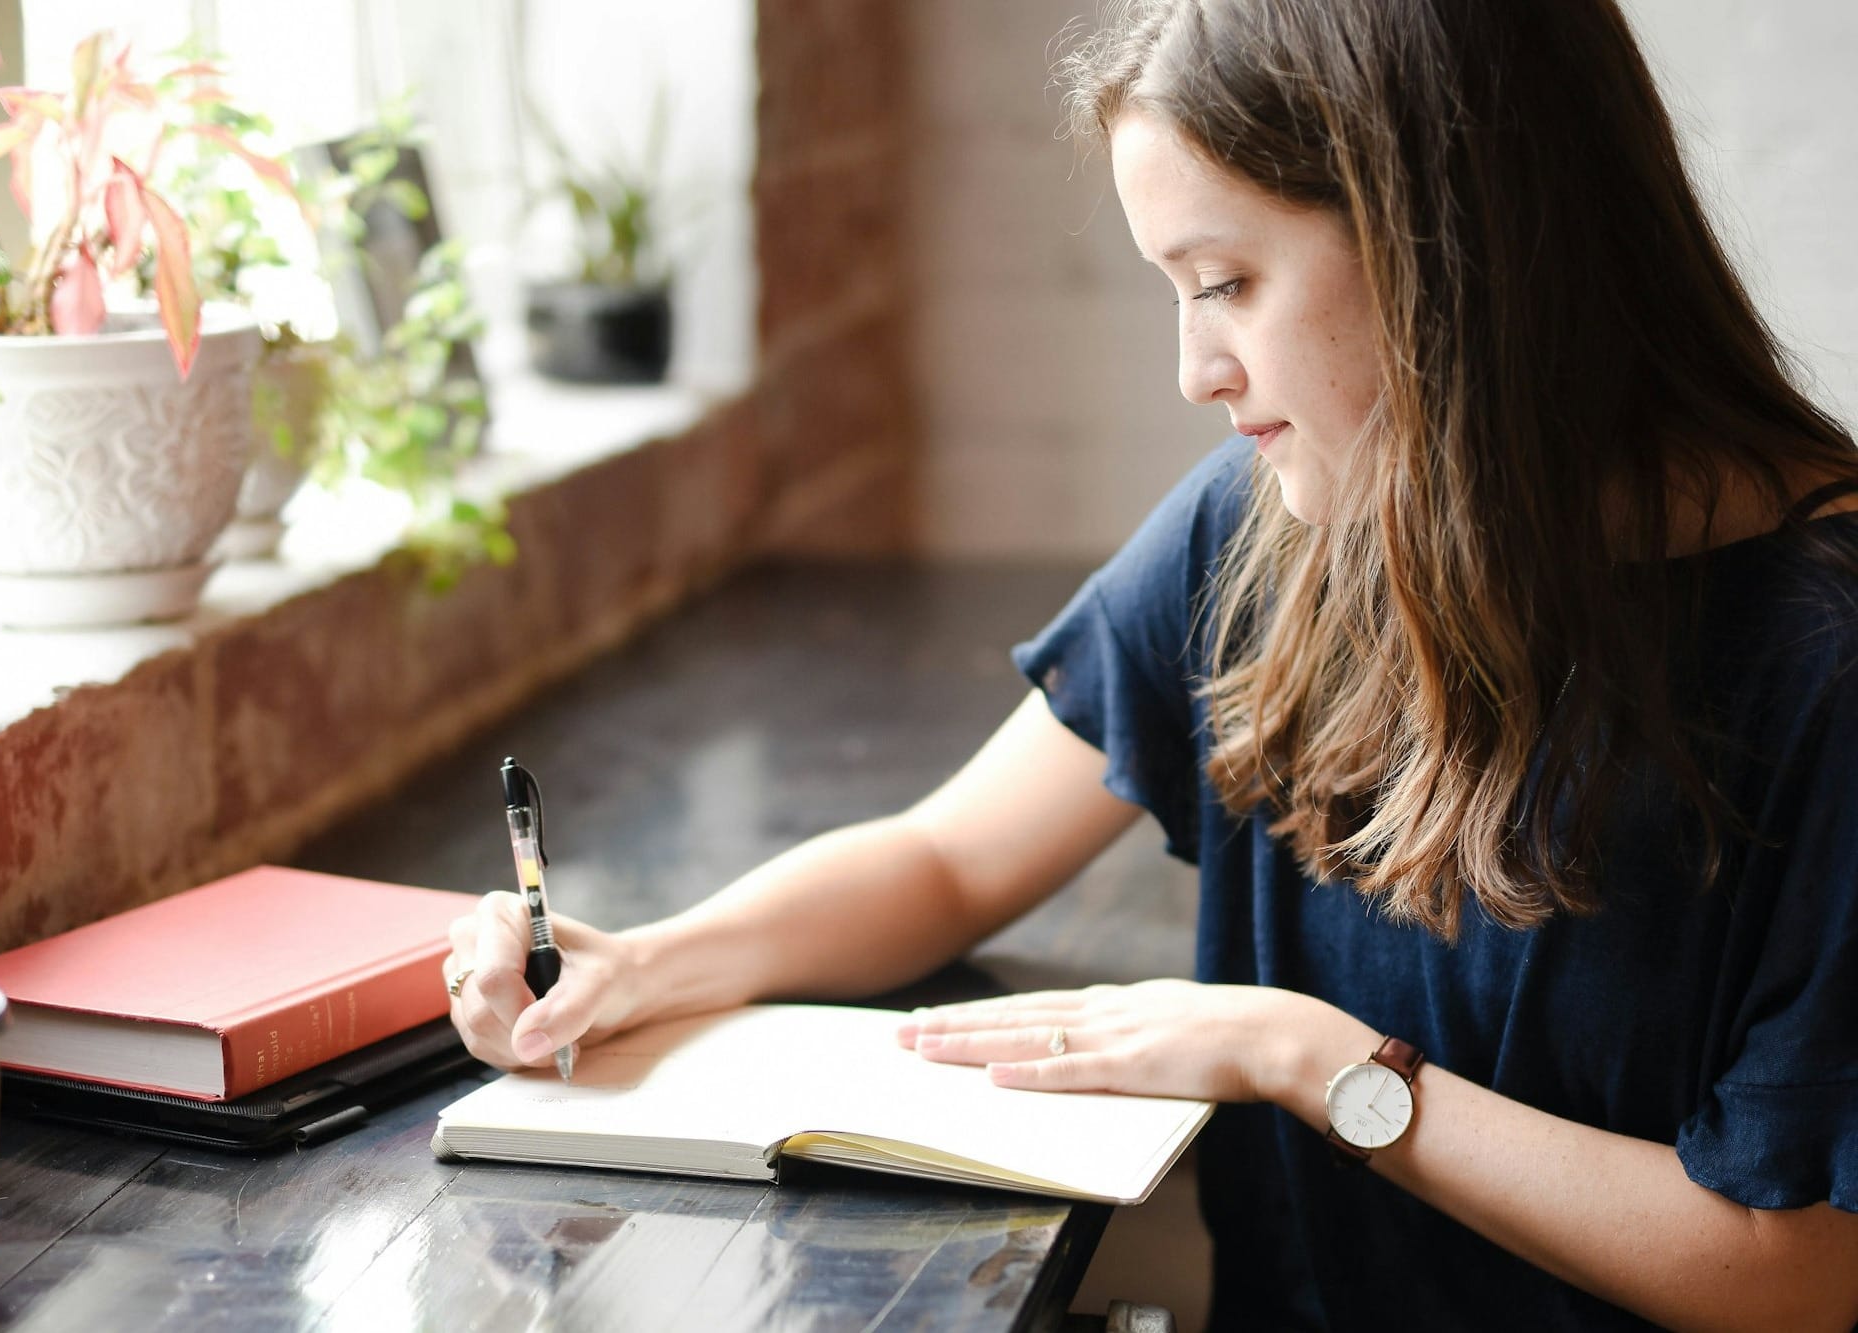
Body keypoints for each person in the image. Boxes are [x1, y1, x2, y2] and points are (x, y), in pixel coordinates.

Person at [445, 1, 1858, 1326]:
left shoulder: (1826, 661)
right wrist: (647, 963)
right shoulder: (1278, 526)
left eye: (1229, 282)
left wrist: (1312, 1061)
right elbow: (949, 858)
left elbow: (1788, 1274)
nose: (1197, 370)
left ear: (1456, 241)